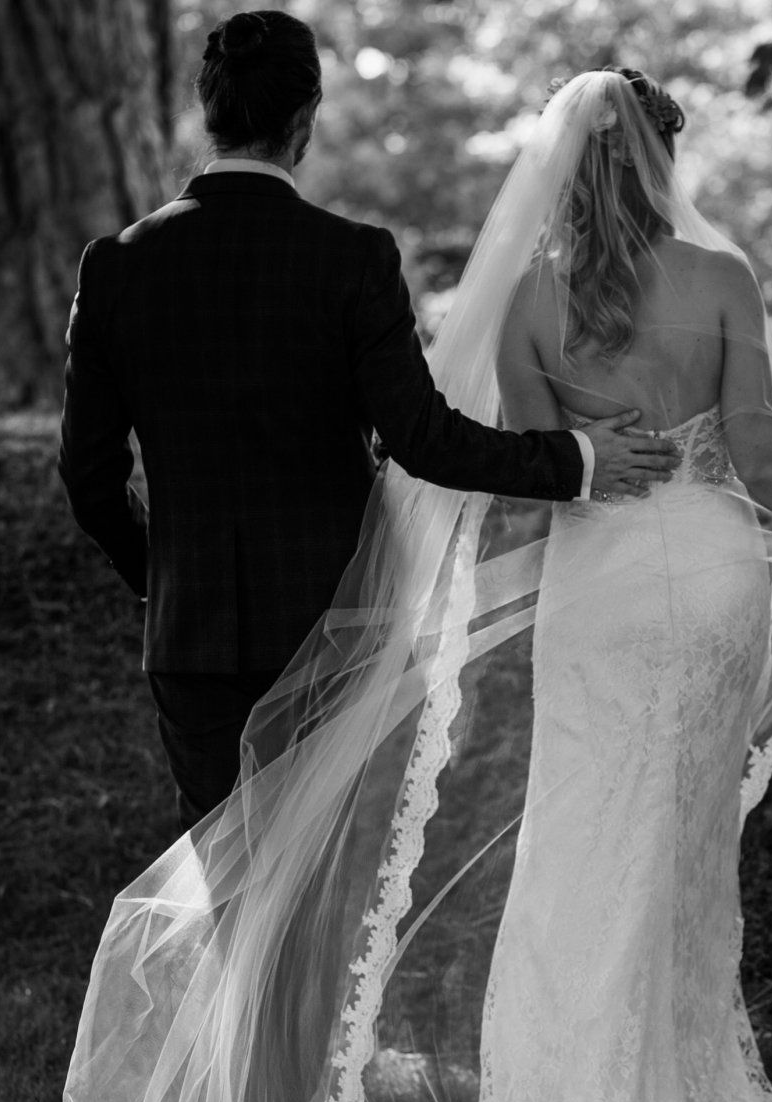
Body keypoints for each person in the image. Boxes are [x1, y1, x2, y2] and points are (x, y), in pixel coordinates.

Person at [64, 57, 772, 1102]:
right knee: (674, 852)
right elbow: (733, 451)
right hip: (666, 579)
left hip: (320, 619)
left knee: (376, 871)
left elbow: (93, 476)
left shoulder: (516, 298)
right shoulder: (694, 276)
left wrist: (180, 579)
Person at [56, 11, 677, 831]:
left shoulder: (117, 267)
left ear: (211, 111)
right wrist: (577, 458)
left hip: (190, 637)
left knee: (228, 883)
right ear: (305, 116)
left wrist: (159, 573)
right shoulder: (351, 259)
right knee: (318, 894)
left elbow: (89, 479)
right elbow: (421, 438)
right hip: (330, 629)